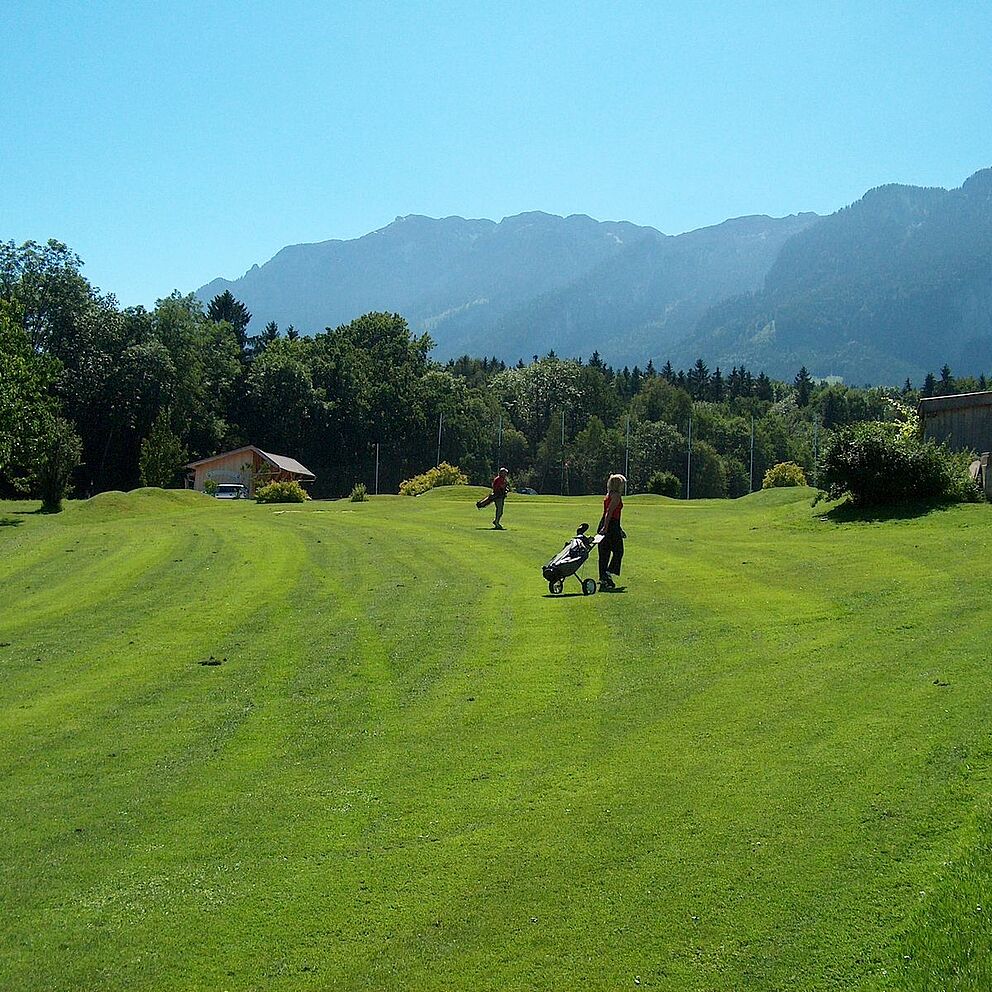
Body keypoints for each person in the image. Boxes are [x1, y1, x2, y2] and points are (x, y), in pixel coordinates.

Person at [597, 473, 626, 590]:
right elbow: (609, 513)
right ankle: (608, 573)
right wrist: (606, 527)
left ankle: (604, 578)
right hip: (610, 525)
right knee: (618, 551)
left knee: (604, 553)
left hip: (608, 524)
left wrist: (619, 529)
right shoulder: (617, 496)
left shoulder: (609, 495)